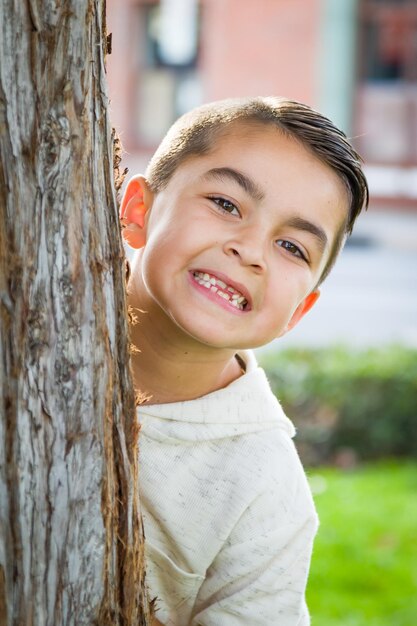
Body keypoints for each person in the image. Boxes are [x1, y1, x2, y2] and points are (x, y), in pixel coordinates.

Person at [119, 97, 368, 625]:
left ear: (297, 312)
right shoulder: (31, 317)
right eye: (226, 204)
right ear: (138, 211)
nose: (251, 250)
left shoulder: (264, 491)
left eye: (291, 247)